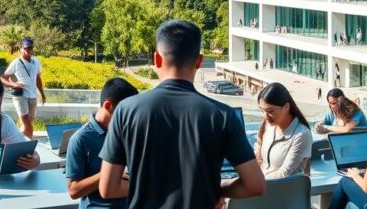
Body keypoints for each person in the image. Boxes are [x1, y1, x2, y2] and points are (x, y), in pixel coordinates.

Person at [98, 20, 265, 209]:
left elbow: (107, 188)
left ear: (157, 59)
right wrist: (216, 189)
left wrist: (146, 187)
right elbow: (255, 185)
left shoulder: (125, 111)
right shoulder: (223, 116)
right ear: (199, 61)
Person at [66, 78, 139, 209]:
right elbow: (73, 190)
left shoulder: (128, 132)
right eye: (127, 111)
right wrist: (108, 174)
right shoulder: (80, 139)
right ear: (108, 106)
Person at [253, 83, 312, 179]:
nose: (265, 116)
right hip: (262, 186)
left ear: (286, 107)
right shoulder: (266, 125)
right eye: (262, 111)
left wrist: (256, 181)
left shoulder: (302, 135)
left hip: (282, 190)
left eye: (270, 111)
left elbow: (285, 173)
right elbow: (258, 159)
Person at [2, 37, 46, 138]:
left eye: (31, 48)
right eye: (26, 48)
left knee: (28, 121)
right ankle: (28, 144)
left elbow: (38, 78)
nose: (28, 50)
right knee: (26, 122)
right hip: (20, 95)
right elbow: (4, 78)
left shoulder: (36, 61)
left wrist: (42, 94)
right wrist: (14, 84)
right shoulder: (16, 62)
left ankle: (18, 137)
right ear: (21, 48)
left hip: (32, 95)